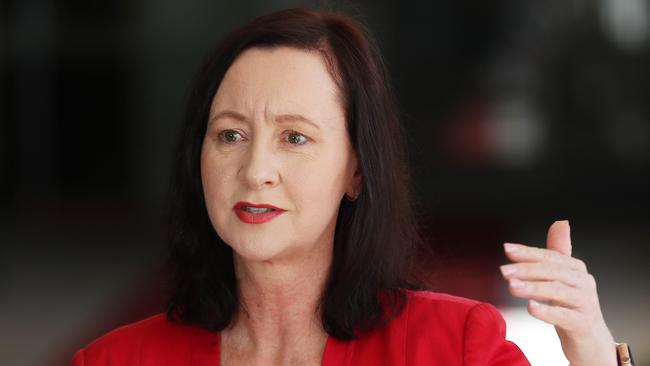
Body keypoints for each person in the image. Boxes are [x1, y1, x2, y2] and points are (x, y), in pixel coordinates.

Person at [72, 7, 622, 366]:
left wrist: (594, 353)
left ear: (357, 170)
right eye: (231, 134)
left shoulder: (455, 346)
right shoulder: (113, 360)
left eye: (294, 137)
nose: (256, 168)